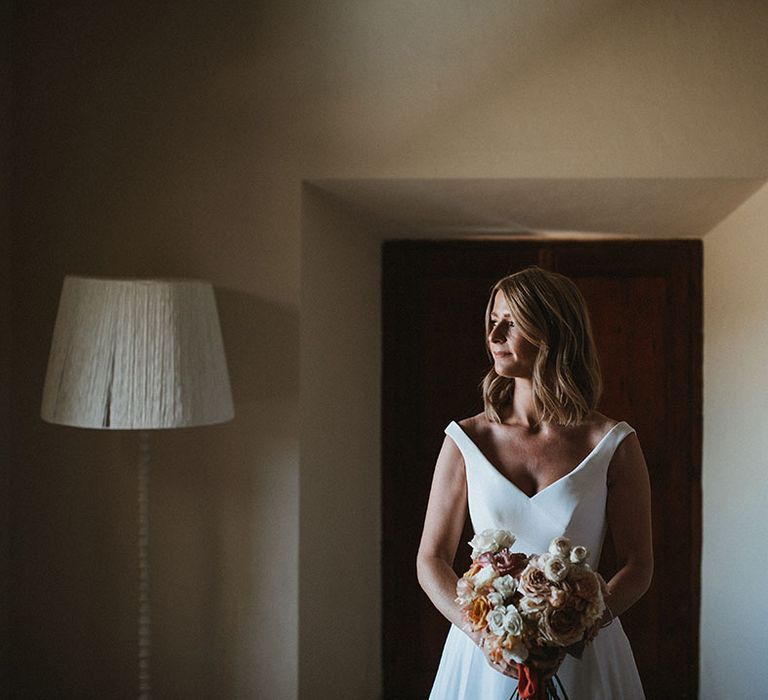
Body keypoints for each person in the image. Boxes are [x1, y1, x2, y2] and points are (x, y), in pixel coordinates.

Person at [416, 266, 653, 699]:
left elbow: (638, 565)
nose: (495, 335)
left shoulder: (613, 443)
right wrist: (485, 636)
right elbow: (431, 559)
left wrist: (576, 628)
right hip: (487, 658)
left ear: (553, 330)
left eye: (512, 322)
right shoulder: (466, 441)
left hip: (586, 657)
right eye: (493, 322)